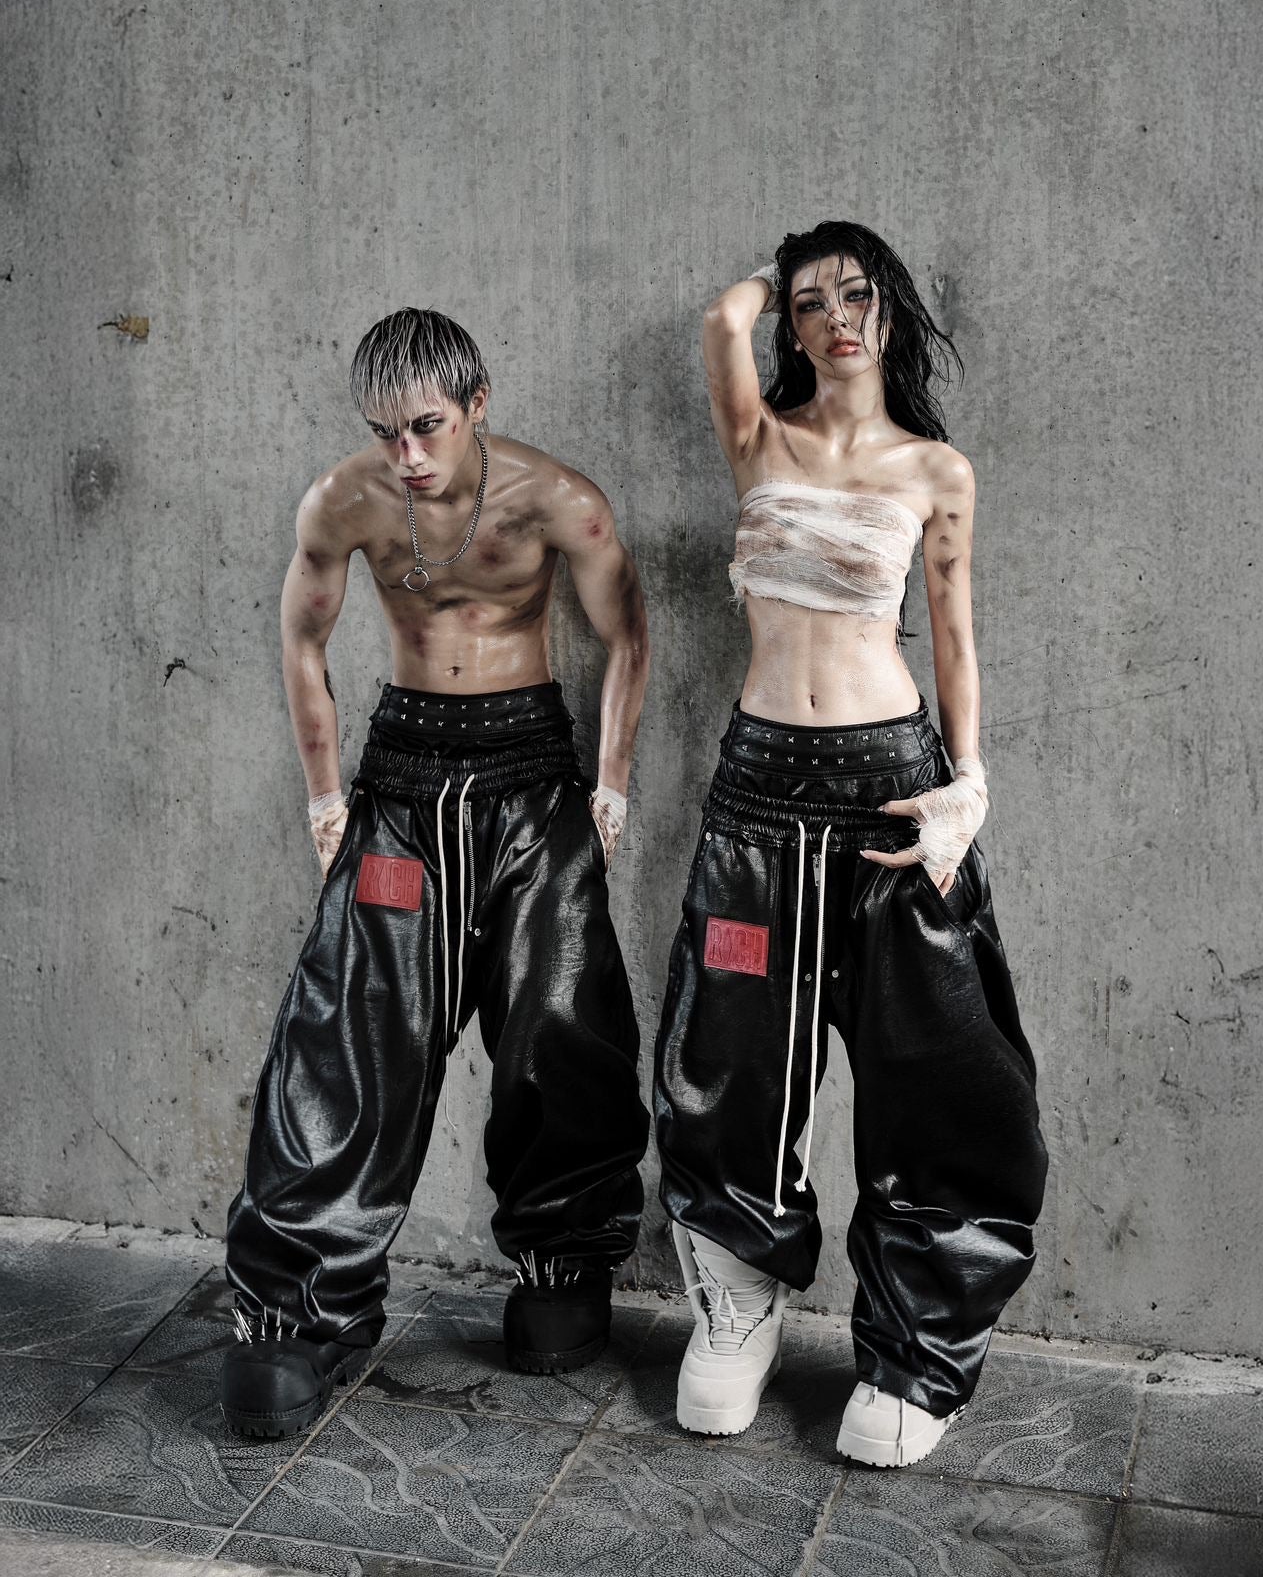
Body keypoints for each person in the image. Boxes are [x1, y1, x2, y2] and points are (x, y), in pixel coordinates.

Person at [653, 221, 1048, 1468]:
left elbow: (953, 638)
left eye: (858, 294)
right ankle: (739, 1302)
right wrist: (779, 272)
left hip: (888, 788)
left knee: (929, 1069)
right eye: (813, 301)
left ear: (892, 309)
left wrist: (967, 786)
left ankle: (914, 1347)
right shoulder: (757, 439)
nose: (836, 318)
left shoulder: (935, 469)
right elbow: (720, 322)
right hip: (758, 790)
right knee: (730, 1054)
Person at [220, 307, 651, 1437]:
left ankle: (561, 1269)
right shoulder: (344, 499)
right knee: (351, 1039)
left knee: (559, 1024)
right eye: (385, 432)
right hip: (404, 778)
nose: (406, 454)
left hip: (532, 777)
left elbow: (626, 634)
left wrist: (609, 788)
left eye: (426, 427)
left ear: (477, 403)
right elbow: (302, 639)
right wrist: (326, 798)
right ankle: (296, 1315)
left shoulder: (559, 499)